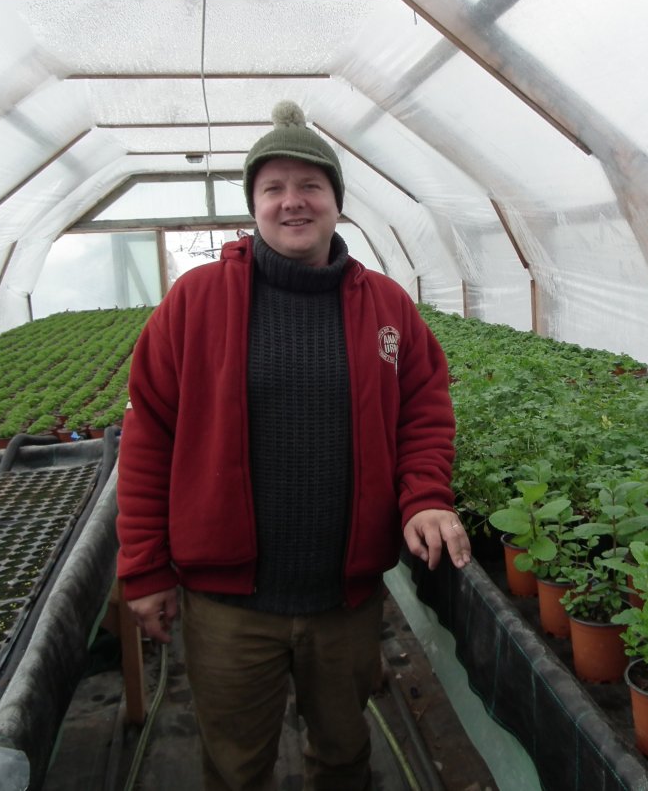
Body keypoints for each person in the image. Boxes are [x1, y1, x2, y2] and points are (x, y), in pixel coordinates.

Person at [115, 99, 470, 791]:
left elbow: (424, 408)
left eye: (310, 186)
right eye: (273, 188)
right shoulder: (194, 303)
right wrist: (145, 570)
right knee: (235, 766)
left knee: (342, 755)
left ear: (337, 201)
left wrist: (426, 497)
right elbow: (148, 439)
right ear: (254, 204)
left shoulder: (386, 305)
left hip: (343, 601)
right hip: (227, 607)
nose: (292, 202)